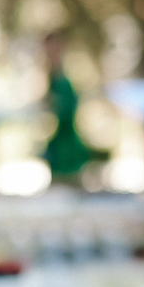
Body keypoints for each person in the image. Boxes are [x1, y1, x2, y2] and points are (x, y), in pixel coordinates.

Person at [40, 31, 93, 184]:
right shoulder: (50, 77)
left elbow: (65, 112)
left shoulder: (64, 79)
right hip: (58, 148)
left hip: (68, 150)